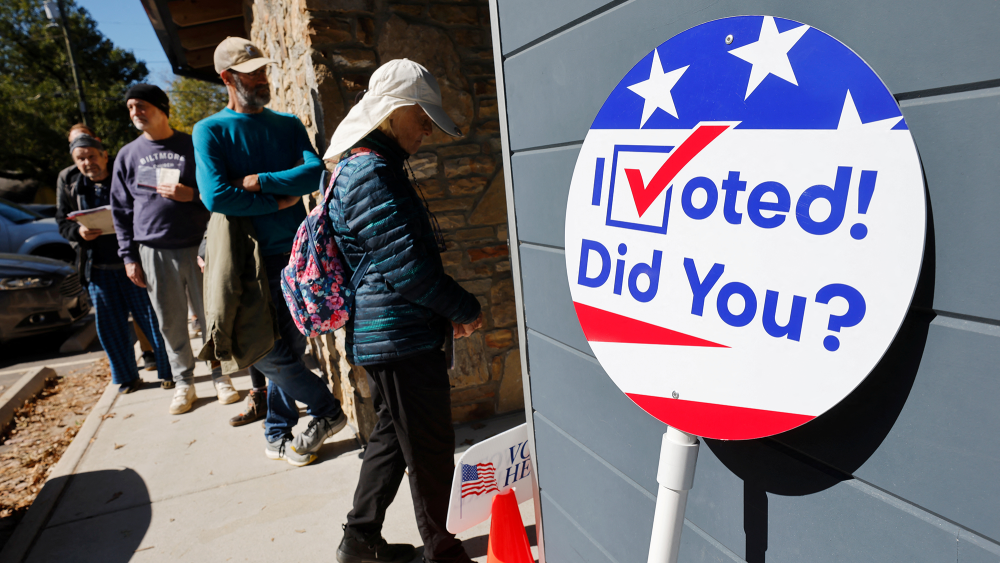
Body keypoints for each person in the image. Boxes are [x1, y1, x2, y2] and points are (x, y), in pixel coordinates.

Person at [325, 59, 483, 563]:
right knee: (431, 449)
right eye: (422, 118)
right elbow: (407, 266)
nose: (426, 131)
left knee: (393, 437)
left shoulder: (371, 164)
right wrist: (462, 306)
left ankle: (359, 540)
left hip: (389, 333)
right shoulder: (371, 171)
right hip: (399, 334)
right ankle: (442, 548)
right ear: (393, 112)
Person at [193, 37, 347, 462]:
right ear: (227, 78)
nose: (263, 79)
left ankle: (277, 431)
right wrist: (276, 199)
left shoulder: (287, 124)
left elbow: (313, 173)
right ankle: (328, 409)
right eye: (252, 73)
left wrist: (260, 182)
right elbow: (216, 195)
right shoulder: (210, 130)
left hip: (296, 255)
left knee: (292, 351)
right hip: (246, 261)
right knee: (260, 349)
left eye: (264, 70)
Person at [110, 84, 236, 414]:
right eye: (130, 108)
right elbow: (121, 211)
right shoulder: (127, 155)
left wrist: (190, 194)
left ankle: (221, 375)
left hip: (197, 245)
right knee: (170, 319)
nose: (135, 112)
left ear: (161, 108)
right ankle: (184, 382)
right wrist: (128, 256)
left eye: (141, 106)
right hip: (152, 249)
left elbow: (215, 192)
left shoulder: (190, 145)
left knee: (211, 315)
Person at [55, 134, 173, 392]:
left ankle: (168, 372)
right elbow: (62, 222)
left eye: (92, 156)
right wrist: (78, 233)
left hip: (135, 262)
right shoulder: (72, 185)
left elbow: (155, 200)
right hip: (98, 268)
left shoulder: (125, 174)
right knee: (110, 327)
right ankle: (127, 378)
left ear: (104, 155)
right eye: (81, 159)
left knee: (153, 320)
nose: (87, 163)